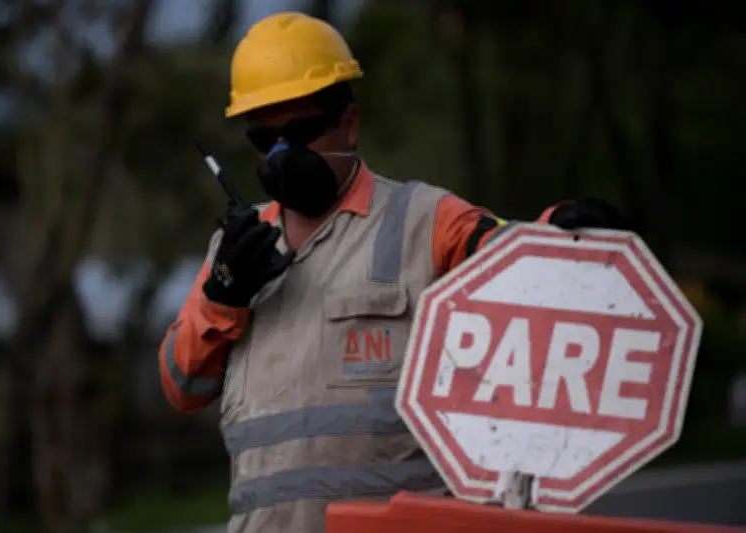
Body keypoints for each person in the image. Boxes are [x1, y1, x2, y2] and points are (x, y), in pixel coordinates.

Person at [158, 11, 631, 533]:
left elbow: (511, 252)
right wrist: (222, 296)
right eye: (264, 139)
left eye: (302, 131)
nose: (282, 155)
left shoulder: (423, 220)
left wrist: (561, 231)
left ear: (350, 123)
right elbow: (182, 386)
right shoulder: (234, 253)